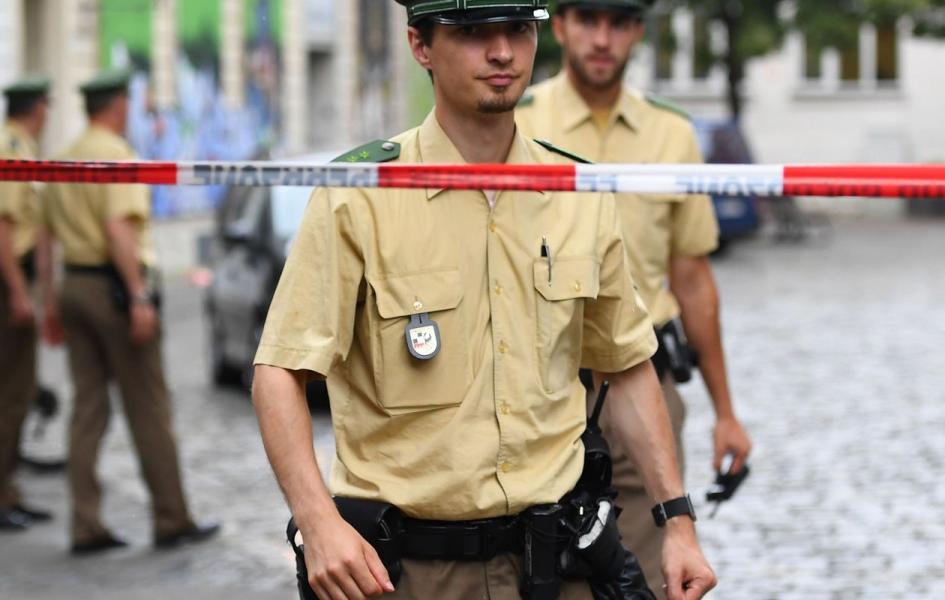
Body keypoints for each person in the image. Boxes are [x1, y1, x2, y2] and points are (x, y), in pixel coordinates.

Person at [250, 1, 717, 598]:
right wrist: (317, 524)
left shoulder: (577, 191)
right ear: (420, 45)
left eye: (519, 30)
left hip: (557, 564)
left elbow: (624, 367)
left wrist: (676, 521)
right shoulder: (359, 196)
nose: (502, 53)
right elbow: (279, 373)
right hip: (412, 574)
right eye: (473, 33)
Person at [514, 1, 753, 594]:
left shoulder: (671, 133)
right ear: (561, 26)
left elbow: (692, 277)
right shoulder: (516, 121)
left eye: (618, 23)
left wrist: (725, 411)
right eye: (588, 20)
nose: (602, 38)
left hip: (644, 383)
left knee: (652, 573)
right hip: (540, 387)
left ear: (637, 33)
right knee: (534, 568)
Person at [41, 68, 219, 555]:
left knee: (88, 410)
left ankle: (85, 523)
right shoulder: (117, 154)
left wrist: (50, 299)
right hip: (113, 290)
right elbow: (119, 228)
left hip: (74, 283)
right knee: (148, 408)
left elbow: (43, 236)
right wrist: (139, 296)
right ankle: (171, 517)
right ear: (119, 104)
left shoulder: (62, 157)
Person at [0, 74, 56, 531]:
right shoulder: (10, 147)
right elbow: (2, 227)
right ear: (36, 107)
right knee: (12, 395)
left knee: (16, 393)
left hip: (14, 278)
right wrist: (19, 292)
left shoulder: (19, 143)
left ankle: (9, 491)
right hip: (7, 281)